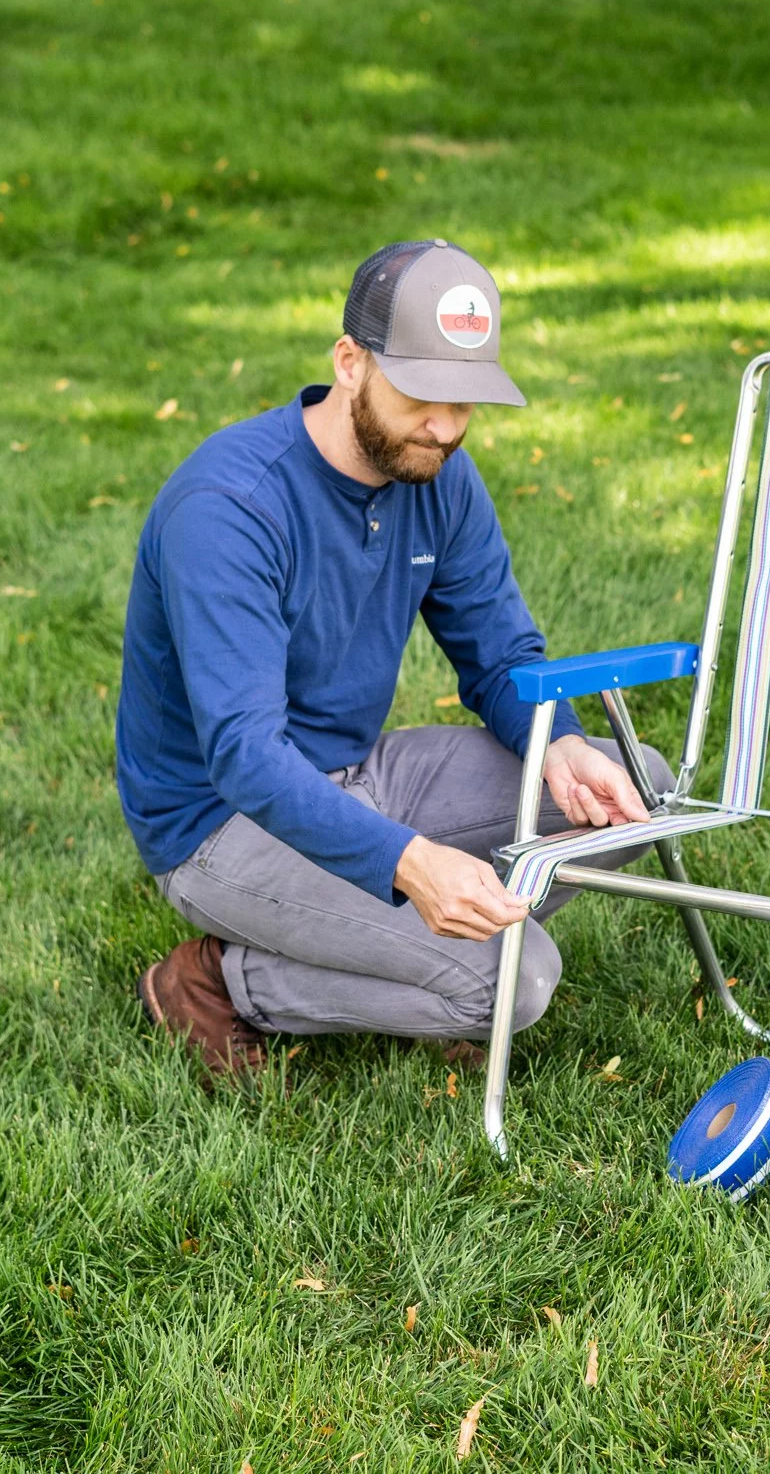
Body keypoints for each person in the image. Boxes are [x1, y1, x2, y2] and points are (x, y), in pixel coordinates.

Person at [116, 239, 671, 1081]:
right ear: (350, 362)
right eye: (424, 395)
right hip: (220, 823)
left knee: (637, 785)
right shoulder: (230, 509)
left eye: (468, 401)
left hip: (360, 769)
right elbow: (245, 756)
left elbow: (501, 654)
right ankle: (219, 980)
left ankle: (409, 950)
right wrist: (409, 864)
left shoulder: (437, 473)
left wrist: (556, 743)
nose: (446, 427)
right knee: (515, 987)